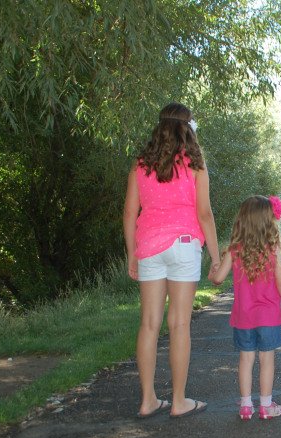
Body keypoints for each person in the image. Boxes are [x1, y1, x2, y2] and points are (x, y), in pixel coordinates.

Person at [123, 102, 221, 419]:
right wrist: (216, 257)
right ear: (187, 127)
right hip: (184, 245)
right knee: (179, 324)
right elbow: (204, 214)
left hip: (149, 248)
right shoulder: (195, 164)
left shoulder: (141, 165)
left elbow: (129, 213)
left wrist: (131, 254)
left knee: (149, 324)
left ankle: (147, 400)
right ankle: (179, 401)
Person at [211, 195, 281, 420]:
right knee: (267, 360)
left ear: (242, 220)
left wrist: (213, 271)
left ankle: (246, 406)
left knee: (246, 359)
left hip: (243, 316)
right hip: (269, 316)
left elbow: (218, 279)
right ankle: (266, 405)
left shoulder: (235, 250)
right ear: (268, 221)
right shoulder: (272, 249)